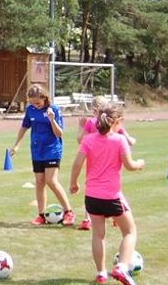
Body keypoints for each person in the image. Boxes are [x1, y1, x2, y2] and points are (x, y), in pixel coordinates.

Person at [69, 105, 145, 285]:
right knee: (130, 231)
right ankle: (122, 267)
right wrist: (140, 163)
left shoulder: (88, 140)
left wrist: (73, 183)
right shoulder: (119, 140)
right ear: (117, 122)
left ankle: (101, 273)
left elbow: (77, 164)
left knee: (98, 234)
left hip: (92, 197)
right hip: (111, 196)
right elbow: (129, 165)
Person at [10, 84, 75, 226]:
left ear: (45, 98)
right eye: (32, 103)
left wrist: (52, 120)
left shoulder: (54, 110)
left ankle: (68, 212)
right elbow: (24, 127)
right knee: (40, 182)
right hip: (37, 150)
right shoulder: (30, 110)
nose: (36, 106)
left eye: (38, 103)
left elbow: (59, 134)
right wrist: (17, 144)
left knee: (51, 181)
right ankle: (41, 215)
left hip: (52, 150)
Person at [76, 97, 136, 230]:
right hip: (110, 169)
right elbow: (128, 140)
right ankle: (116, 217)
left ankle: (87, 219)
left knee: (93, 193)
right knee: (114, 193)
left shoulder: (91, 124)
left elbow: (80, 140)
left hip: (94, 167)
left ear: (94, 110)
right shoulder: (114, 125)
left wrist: (80, 127)